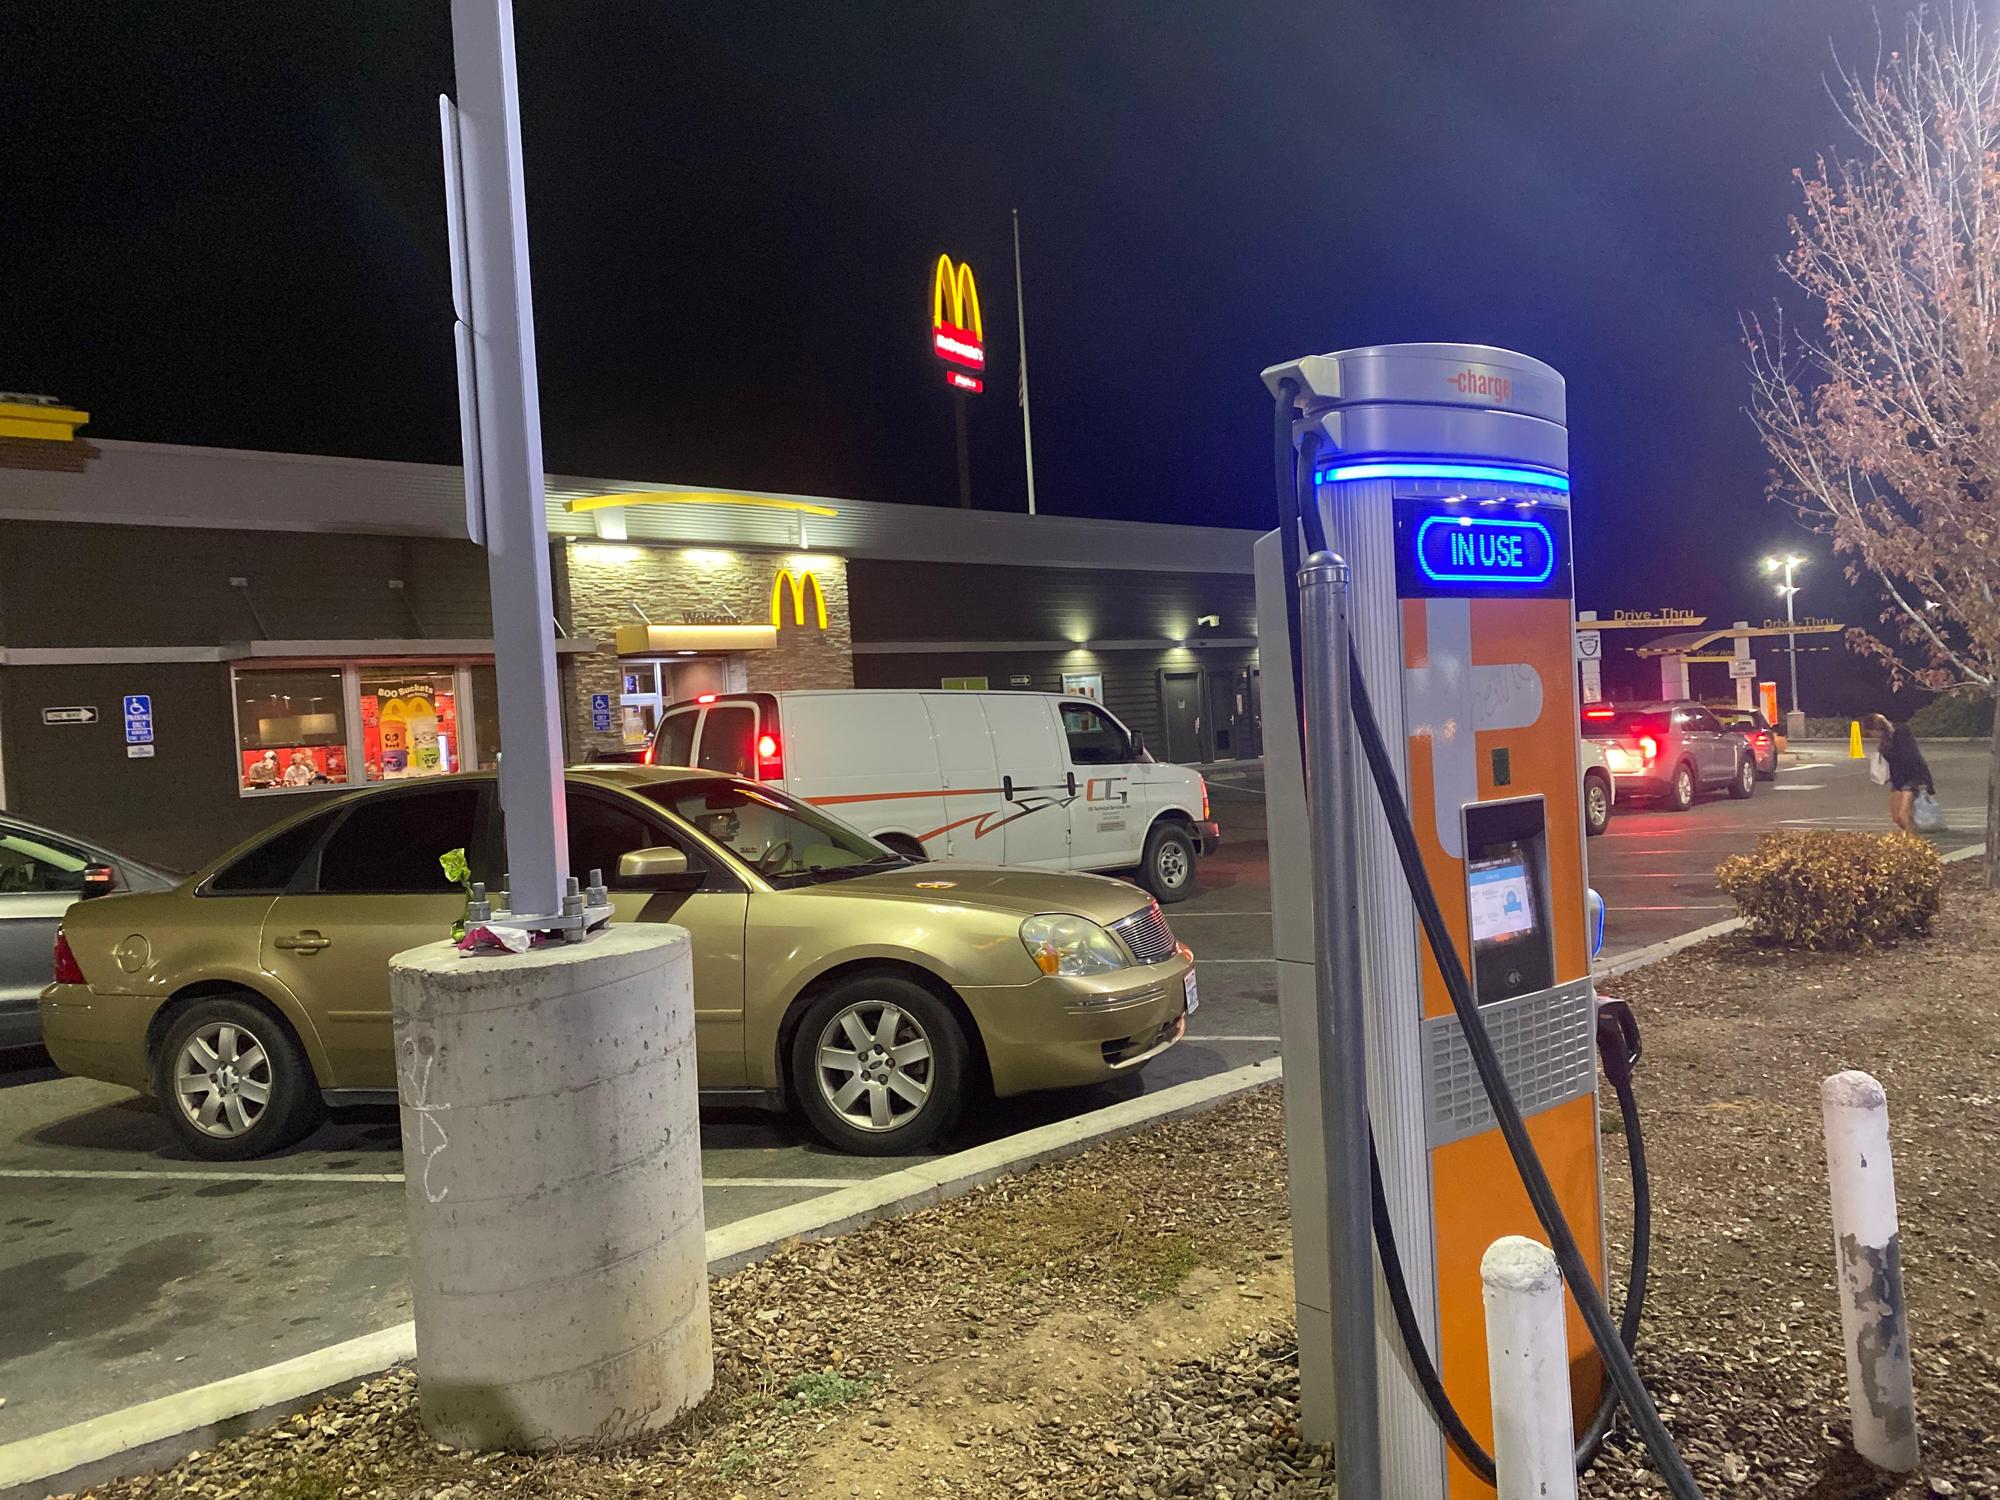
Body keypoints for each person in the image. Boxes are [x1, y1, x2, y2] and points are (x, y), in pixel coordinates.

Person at [1863, 713, 1934, 833]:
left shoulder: (1901, 732)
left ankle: (1913, 842)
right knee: (1896, 817)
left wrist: (1922, 782)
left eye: (1871, 732)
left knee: (1904, 813)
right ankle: (1914, 834)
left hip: (1913, 776)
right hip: (1898, 778)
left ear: (1876, 729)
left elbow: (1913, 757)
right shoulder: (1884, 740)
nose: (1871, 736)